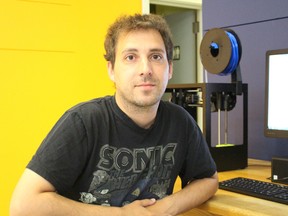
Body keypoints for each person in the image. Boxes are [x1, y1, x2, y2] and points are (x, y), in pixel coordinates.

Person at [10, 13, 218, 216]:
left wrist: (165, 208)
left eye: (156, 56)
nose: (145, 69)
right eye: (130, 57)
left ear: (169, 68)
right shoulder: (83, 122)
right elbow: (23, 205)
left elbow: (209, 180)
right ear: (111, 69)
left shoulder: (180, 121)